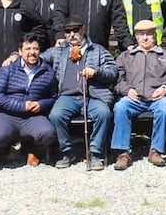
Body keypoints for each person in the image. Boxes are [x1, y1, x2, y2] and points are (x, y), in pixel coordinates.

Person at [44, 18, 117, 171]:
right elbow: (36, 57)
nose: (72, 34)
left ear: (83, 30)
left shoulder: (97, 50)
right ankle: (67, 151)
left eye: (75, 30)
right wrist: (14, 55)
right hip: (67, 96)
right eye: (68, 31)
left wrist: (96, 72)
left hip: (93, 95)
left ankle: (96, 152)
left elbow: (113, 72)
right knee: (56, 115)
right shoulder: (59, 50)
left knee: (103, 113)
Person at [111, 19, 166, 170]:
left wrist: (165, 88)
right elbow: (118, 80)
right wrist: (127, 90)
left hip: (158, 99)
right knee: (120, 107)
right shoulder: (126, 56)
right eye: (141, 34)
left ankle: (155, 150)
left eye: (149, 34)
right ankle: (123, 153)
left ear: (155, 35)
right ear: (136, 37)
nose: (145, 38)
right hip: (134, 99)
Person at [0, 33, 58, 166]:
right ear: (20, 51)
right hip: (8, 114)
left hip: (33, 116)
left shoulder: (48, 72)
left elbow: (54, 97)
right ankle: (2, 151)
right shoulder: (7, 69)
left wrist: (41, 104)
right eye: (28, 49)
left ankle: (32, 150)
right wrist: (21, 106)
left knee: (47, 133)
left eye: (36, 49)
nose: (32, 52)